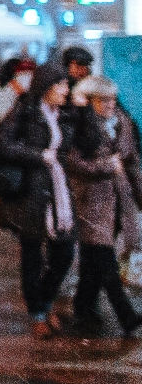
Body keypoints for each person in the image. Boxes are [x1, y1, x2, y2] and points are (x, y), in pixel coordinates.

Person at [0, 61, 79, 338]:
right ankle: (38, 314)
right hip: (30, 194)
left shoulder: (63, 113)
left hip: (58, 193)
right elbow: (0, 144)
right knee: (32, 257)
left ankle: (44, 300)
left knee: (64, 254)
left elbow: (83, 140)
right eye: (61, 85)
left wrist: (84, 109)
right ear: (46, 87)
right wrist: (38, 156)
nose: (66, 90)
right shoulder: (25, 111)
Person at [59, 85, 142, 337]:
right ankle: (126, 315)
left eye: (112, 100)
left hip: (118, 199)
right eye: (103, 100)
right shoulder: (80, 126)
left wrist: (140, 192)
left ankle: (83, 306)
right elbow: (72, 161)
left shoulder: (122, 122)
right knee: (105, 256)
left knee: (93, 256)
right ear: (91, 101)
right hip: (90, 200)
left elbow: (132, 161)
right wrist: (105, 165)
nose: (109, 105)